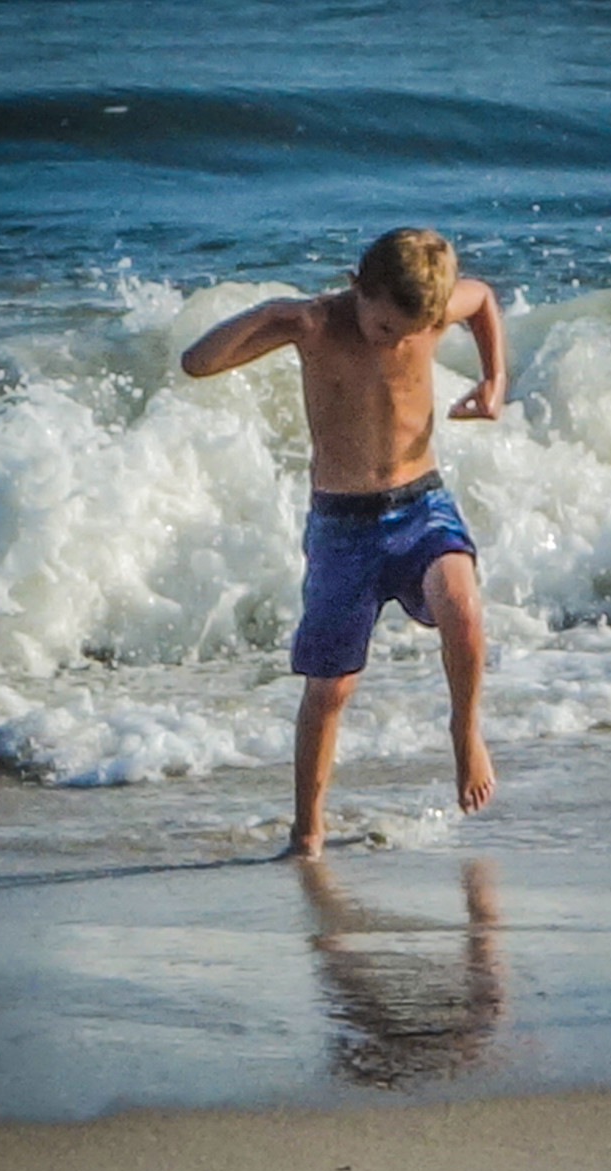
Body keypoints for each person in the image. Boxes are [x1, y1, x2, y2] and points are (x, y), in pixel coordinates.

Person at [181, 227, 507, 857]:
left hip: (422, 504)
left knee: (463, 609)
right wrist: (272, 314)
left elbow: (483, 299)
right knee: (330, 688)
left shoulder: (428, 314)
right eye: (385, 327)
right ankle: (307, 829)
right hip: (342, 527)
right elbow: (197, 363)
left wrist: (493, 382)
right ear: (357, 287)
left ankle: (465, 734)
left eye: (414, 332)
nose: (399, 342)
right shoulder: (312, 326)